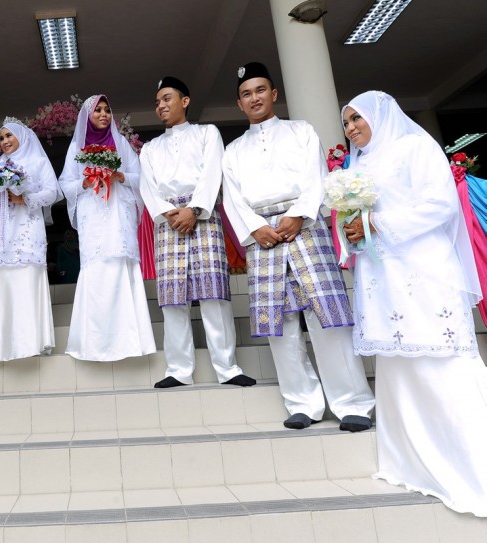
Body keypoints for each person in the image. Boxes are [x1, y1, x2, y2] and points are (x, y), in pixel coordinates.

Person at [341, 91, 487, 515]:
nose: (351, 129)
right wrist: (356, 229)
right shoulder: (357, 165)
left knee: (442, 364)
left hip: (423, 271)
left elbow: (440, 206)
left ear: (380, 115)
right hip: (382, 276)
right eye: (346, 123)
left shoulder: (414, 147)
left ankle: (472, 466)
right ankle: (410, 461)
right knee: (399, 365)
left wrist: (375, 222)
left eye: (357, 118)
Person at [222, 62, 375, 430]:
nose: (254, 98)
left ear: (273, 94)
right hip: (262, 237)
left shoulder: (301, 131)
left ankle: (353, 403)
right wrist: (256, 228)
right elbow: (232, 198)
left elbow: (316, 176)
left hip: (304, 228)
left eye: (260, 90)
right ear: (239, 103)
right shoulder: (233, 150)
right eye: (246, 94)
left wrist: (298, 215)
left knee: (327, 316)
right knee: (281, 322)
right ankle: (302, 403)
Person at [139, 77, 252, 388]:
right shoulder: (149, 148)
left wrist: (195, 209)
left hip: (203, 217)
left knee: (213, 294)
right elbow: (148, 187)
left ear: (185, 101)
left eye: (167, 98)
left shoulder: (207, 133)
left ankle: (227, 368)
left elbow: (213, 172)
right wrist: (169, 213)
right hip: (169, 223)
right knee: (173, 298)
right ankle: (178, 370)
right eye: (157, 102)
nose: (161, 105)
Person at [59, 94, 156, 361]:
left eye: (107, 110)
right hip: (92, 214)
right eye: (98, 110)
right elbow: (65, 183)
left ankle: (130, 343)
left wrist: (119, 175)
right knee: (97, 268)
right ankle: (92, 344)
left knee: (119, 264)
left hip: (118, 213)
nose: (104, 114)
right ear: (87, 116)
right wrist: (86, 182)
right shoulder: (77, 147)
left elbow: (140, 176)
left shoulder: (120, 143)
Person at [0, 118, 59, 360]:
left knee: (25, 278)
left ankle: (30, 344)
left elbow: (52, 192)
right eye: (1, 138)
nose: (4, 141)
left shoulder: (38, 162)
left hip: (27, 230)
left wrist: (24, 198)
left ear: (22, 136)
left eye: (9, 136)